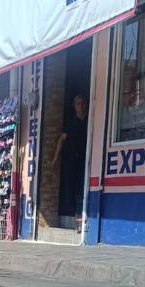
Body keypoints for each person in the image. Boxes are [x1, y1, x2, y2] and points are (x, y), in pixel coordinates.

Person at [52, 94, 89, 223]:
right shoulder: (71, 122)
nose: (81, 106)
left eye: (83, 103)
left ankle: (81, 213)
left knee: (83, 185)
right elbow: (61, 140)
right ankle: (74, 214)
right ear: (74, 106)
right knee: (71, 186)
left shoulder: (90, 119)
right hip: (71, 159)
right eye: (78, 103)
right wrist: (55, 158)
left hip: (85, 158)